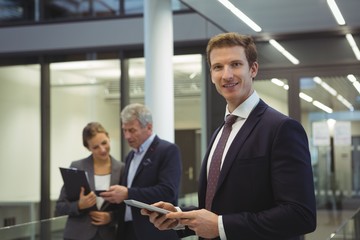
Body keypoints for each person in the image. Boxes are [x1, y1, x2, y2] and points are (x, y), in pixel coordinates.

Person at [141, 32, 317, 240]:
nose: (226, 75)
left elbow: (301, 215)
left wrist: (221, 226)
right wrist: (179, 216)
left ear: (253, 69)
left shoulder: (282, 128)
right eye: (218, 67)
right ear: (211, 74)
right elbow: (219, 205)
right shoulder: (221, 132)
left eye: (235, 64)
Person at [101, 103, 182, 240]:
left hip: (154, 231)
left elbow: (167, 192)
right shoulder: (130, 156)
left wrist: (127, 193)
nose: (127, 136)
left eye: (132, 130)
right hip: (127, 231)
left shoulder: (167, 150)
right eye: (124, 130)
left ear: (149, 127)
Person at [55, 122, 124, 240]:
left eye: (104, 143)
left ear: (108, 138)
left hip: (106, 235)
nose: (102, 149)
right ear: (88, 148)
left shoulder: (122, 168)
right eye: (95, 147)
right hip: (77, 235)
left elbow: (125, 207)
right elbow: (60, 207)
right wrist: (79, 205)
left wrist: (110, 217)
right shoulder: (77, 167)